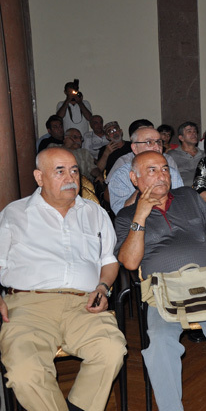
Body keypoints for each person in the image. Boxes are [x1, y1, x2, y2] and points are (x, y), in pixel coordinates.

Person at [115, 151, 206, 411]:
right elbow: (130, 263)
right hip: (162, 291)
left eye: (164, 169)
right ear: (135, 178)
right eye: (151, 170)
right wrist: (140, 216)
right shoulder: (125, 217)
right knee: (160, 344)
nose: (161, 175)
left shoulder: (188, 196)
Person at [0, 147, 126, 410]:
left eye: (74, 170)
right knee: (24, 372)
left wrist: (103, 287)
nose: (71, 177)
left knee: (112, 350)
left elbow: (109, 261)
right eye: (60, 171)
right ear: (39, 177)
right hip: (28, 306)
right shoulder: (15, 213)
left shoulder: (95, 212)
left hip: (85, 304)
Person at [107, 127, 184, 215]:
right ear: (135, 148)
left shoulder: (170, 172)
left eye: (159, 142)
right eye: (149, 142)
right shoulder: (121, 175)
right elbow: (121, 213)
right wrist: (143, 186)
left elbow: (181, 205)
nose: (156, 147)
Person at [168, 122, 204, 187]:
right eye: (189, 131)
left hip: (204, 191)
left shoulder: (204, 154)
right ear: (181, 138)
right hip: (183, 191)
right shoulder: (172, 155)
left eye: (195, 131)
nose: (194, 134)